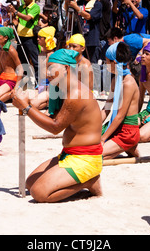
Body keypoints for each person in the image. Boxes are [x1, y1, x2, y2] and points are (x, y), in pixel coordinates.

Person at [11, 48, 103, 203]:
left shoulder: (76, 94)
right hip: (69, 153)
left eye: (51, 68)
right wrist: (28, 103)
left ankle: (88, 181)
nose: (47, 73)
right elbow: (52, 117)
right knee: (30, 183)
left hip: (85, 158)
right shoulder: (63, 90)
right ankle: (83, 180)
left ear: (66, 68)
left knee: (39, 193)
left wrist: (26, 108)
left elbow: (55, 127)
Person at [101, 42, 140, 159]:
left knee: (95, 155)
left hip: (127, 131)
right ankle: (128, 148)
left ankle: (129, 146)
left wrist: (103, 138)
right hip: (116, 125)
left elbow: (120, 116)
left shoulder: (128, 83)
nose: (105, 64)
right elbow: (107, 108)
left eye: (106, 61)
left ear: (114, 63)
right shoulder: (116, 80)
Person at [65, 0, 103, 66]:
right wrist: (68, 3)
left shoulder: (97, 4)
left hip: (91, 39)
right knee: (77, 64)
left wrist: (77, 8)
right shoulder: (79, 3)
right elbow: (70, 17)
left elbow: (89, 16)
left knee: (92, 65)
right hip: (78, 39)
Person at [7, 0, 40, 81]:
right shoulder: (21, 7)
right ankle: (27, 80)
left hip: (30, 37)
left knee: (36, 60)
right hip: (20, 37)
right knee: (23, 61)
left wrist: (15, 12)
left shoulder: (35, 7)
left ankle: (38, 82)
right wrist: (12, 17)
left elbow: (27, 18)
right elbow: (17, 20)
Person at [0, 26, 23, 102]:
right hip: (1, 78)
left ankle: (11, 94)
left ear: (6, 38)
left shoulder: (11, 50)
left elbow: (21, 69)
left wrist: (16, 87)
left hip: (11, 79)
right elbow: (1, 69)